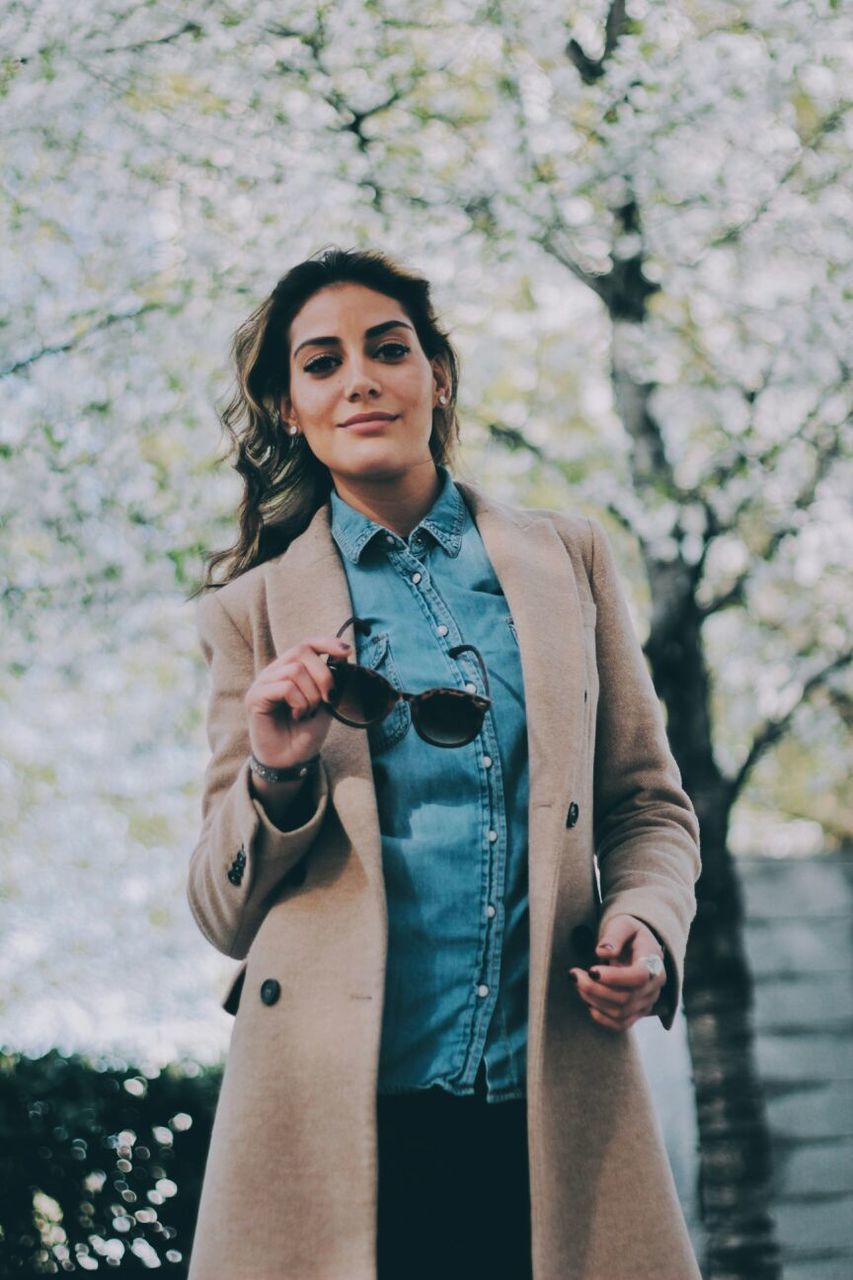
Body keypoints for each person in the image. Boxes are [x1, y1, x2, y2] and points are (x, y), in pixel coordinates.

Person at [185, 247, 702, 1280]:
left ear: (439, 375)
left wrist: (647, 921)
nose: (361, 379)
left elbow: (645, 803)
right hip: (339, 1118)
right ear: (290, 407)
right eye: (322, 363)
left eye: (388, 348)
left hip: (548, 1095)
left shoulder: (571, 559)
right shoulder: (251, 612)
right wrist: (277, 773)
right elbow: (221, 908)